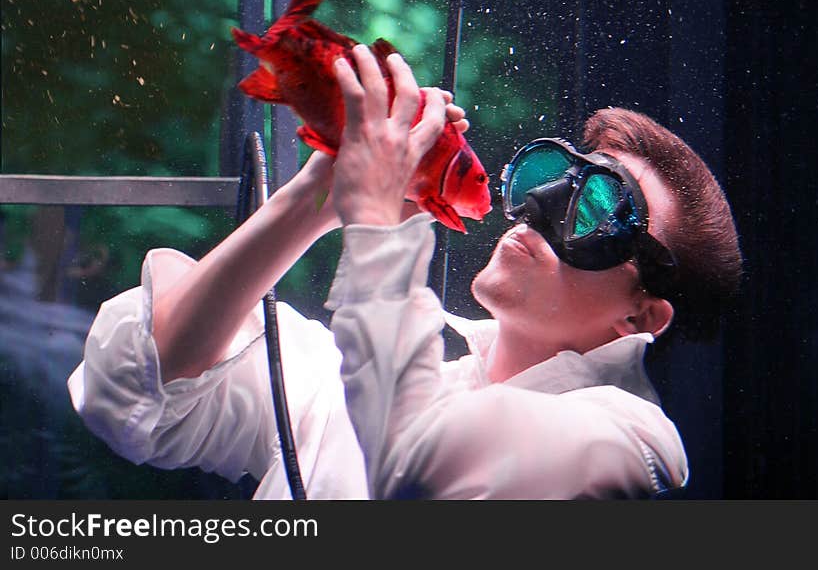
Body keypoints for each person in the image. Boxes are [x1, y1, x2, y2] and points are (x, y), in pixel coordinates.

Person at [68, 45, 742, 499]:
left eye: (595, 209)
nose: (537, 209)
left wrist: (380, 224)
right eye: (550, 177)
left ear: (643, 315)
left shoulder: (629, 443)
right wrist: (314, 202)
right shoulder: (349, 381)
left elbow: (415, 466)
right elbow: (133, 393)